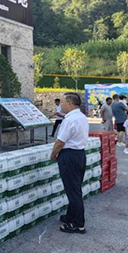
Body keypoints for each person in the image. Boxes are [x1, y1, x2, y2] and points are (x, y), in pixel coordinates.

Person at [50, 92, 89, 234]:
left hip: (69, 156)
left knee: (73, 191)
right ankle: (70, 216)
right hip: (79, 155)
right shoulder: (82, 117)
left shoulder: (69, 120)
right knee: (75, 187)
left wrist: (53, 155)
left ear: (69, 104)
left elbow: (60, 142)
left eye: (63, 102)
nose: (61, 105)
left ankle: (78, 224)